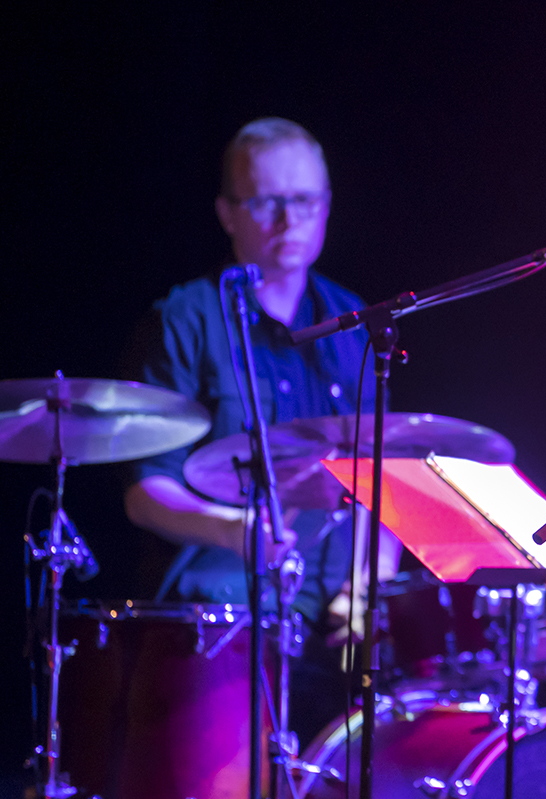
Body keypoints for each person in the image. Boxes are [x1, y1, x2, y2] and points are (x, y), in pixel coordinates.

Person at [123, 117, 394, 748]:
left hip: (334, 626)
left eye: (304, 201)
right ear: (227, 213)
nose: (288, 220)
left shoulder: (353, 323)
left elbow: (382, 482)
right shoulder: (185, 319)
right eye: (267, 201)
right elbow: (143, 493)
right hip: (219, 617)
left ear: (325, 206)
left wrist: (363, 586)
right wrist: (238, 532)